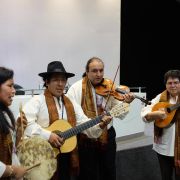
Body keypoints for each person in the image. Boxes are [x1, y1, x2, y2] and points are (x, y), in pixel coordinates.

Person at [22, 61, 112, 180]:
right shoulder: (37, 101)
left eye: (63, 80)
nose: (60, 84)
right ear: (46, 82)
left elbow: (83, 123)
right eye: (55, 80)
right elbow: (24, 124)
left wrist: (99, 125)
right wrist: (48, 135)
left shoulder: (71, 103)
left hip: (66, 158)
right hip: (42, 158)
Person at [66, 57, 135, 180]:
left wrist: (126, 103)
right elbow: (74, 115)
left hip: (107, 135)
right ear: (87, 72)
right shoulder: (75, 89)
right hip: (85, 138)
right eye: (94, 71)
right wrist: (95, 125)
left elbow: (119, 113)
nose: (98, 74)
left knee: (108, 171)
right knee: (88, 174)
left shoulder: (109, 86)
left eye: (101, 70)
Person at [141, 69, 180, 180]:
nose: (173, 85)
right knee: (165, 177)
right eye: (169, 83)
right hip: (163, 147)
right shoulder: (160, 98)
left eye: (176, 82)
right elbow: (145, 113)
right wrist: (154, 114)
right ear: (166, 85)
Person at [0, 67, 27, 179]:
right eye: (10, 86)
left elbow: (11, 151)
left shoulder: (4, 113)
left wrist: (19, 132)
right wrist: (14, 170)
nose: (14, 90)